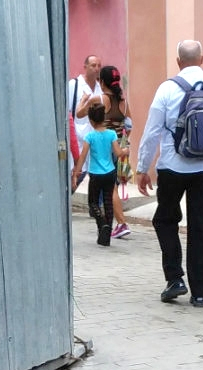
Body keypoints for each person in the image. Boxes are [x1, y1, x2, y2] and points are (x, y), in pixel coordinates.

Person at [136, 40, 203, 307]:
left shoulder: (167, 89)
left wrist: (142, 168)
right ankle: (200, 293)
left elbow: (151, 132)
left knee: (165, 220)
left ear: (178, 61)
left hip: (172, 168)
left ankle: (175, 279)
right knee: (201, 229)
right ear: (202, 59)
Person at [87, 65, 134, 239]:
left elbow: (80, 113)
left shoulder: (99, 98)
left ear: (102, 82)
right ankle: (113, 222)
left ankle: (121, 223)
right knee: (113, 185)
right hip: (120, 146)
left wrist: (85, 101)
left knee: (111, 187)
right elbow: (129, 124)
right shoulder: (124, 102)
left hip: (104, 149)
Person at [71, 102, 126, 247]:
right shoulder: (111, 134)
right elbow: (118, 153)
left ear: (91, 120)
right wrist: (127, 151)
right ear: (104, 118)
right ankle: (105, 236)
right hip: (110, 172)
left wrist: (77, 172)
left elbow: (82, 156)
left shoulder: (90, 137)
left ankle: (102, 224)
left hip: (95, 174)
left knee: (93, 203)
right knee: (108, 203)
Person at [66, 55, 103, 189]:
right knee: (74, 178)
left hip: (95, 142)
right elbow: (68, 112)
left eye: (99, 66)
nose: (97, 69)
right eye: (93, 65)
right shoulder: (74, 85)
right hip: (77, 141)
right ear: (85, 66)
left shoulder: (100, 88)